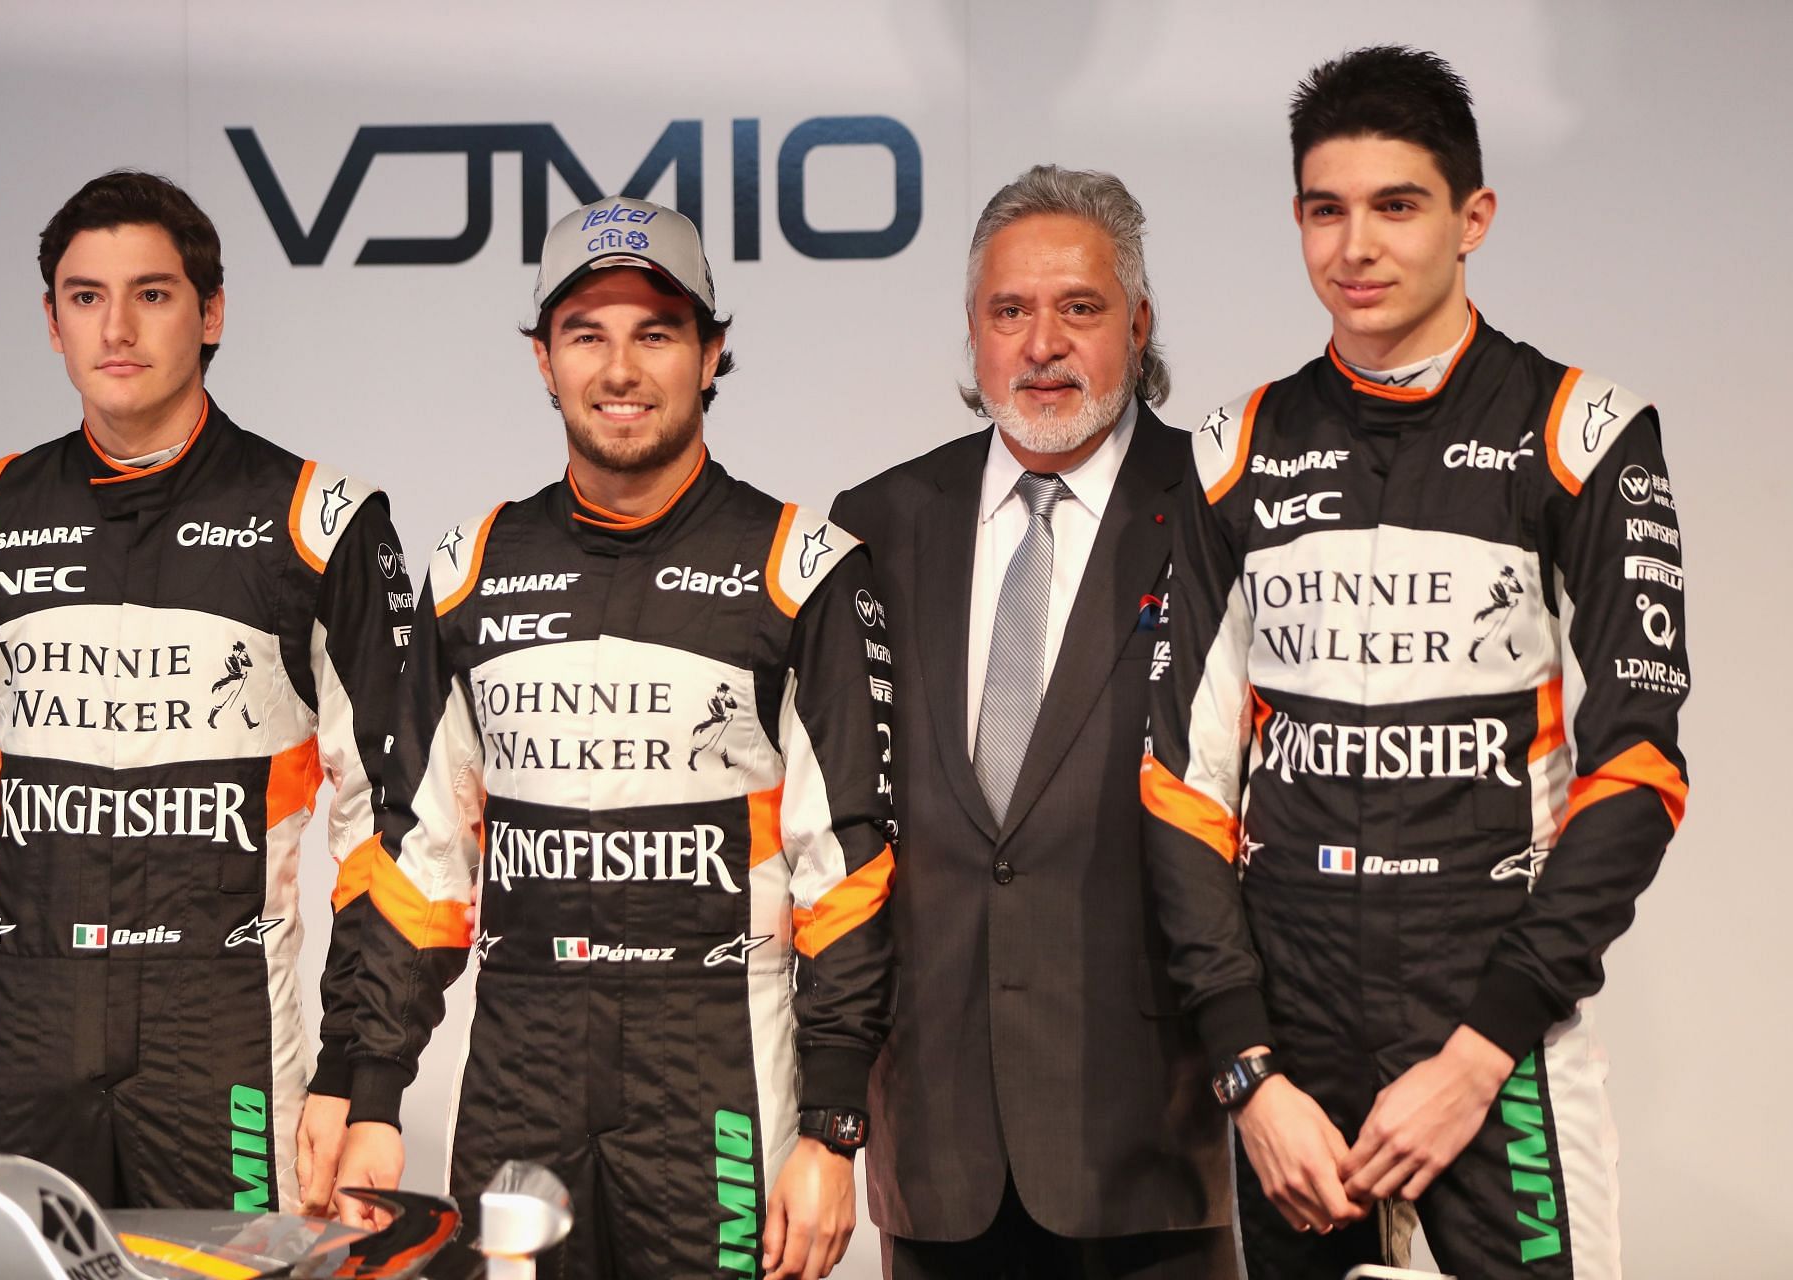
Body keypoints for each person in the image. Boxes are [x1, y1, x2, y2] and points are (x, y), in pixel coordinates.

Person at [1140, 46, 1689, 1278]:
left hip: (1493, 1031)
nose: (1357, 246)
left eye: (1398, 205)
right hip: (1292, 1051)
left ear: (1472, 216)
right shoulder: (1231, 450)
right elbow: (1178, 784)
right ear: (1297, 220)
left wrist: (1483, 1049)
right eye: (1326, 209)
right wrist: (1247, 1067)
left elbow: (1641, 763)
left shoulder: (1585, 433)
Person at [332, 196, 897, 1280]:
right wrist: (373, 1091)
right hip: (518, 1073)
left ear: (712, 351)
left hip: (720, 1066)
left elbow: (852, 872)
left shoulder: (804, 566)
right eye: (586, 333)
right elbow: (421, 863)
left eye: (657, 331)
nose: (620, 368)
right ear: (544, 359)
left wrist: (832, 1126)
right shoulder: (471, 567)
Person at [0, 171, 407, 1214]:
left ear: (211, 311)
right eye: (85, 296)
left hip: (221, 1027)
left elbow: (387, 821)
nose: (115, 326)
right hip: (25, 1022)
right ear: (51, 321)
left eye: (153, 293)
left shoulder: (320, 519)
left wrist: (354, 1067)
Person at [830, 166, 1234, 1278]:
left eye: (1080, 307)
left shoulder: (1216, 504)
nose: (1041, 343)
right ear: (974, 333)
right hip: (940, 1152)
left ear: (1139, 324)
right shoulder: (877, 524)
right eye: (1010, 311)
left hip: (1149, 1142)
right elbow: (854, 832)